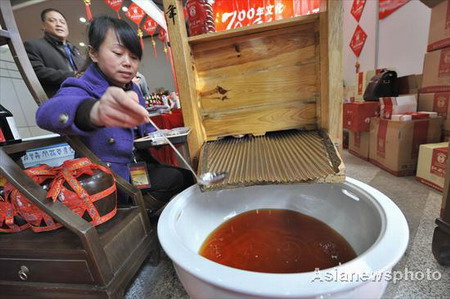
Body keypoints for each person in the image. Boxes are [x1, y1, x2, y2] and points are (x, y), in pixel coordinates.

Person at [35, 15, 194, 210]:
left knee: (186, 177)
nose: (127, 62)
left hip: (137, 167)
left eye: (134, 57)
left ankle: (151, 212)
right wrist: (93, 111)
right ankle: (144, 215)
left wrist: (158, 135)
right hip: (110, 177)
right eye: (118, 53)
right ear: (94, 54)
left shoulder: (133, 89)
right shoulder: (81, 85)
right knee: (181, 180)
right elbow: (46, 113)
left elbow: (142, 129)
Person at [25, 8, 84, 97]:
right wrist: (73, 75)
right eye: (52, 21)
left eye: (62, 22)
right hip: (60, 99)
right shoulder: (33, 45)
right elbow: (37, 72)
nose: (59, 24)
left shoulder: (74, 49)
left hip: (85, 96)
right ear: (43, 26)